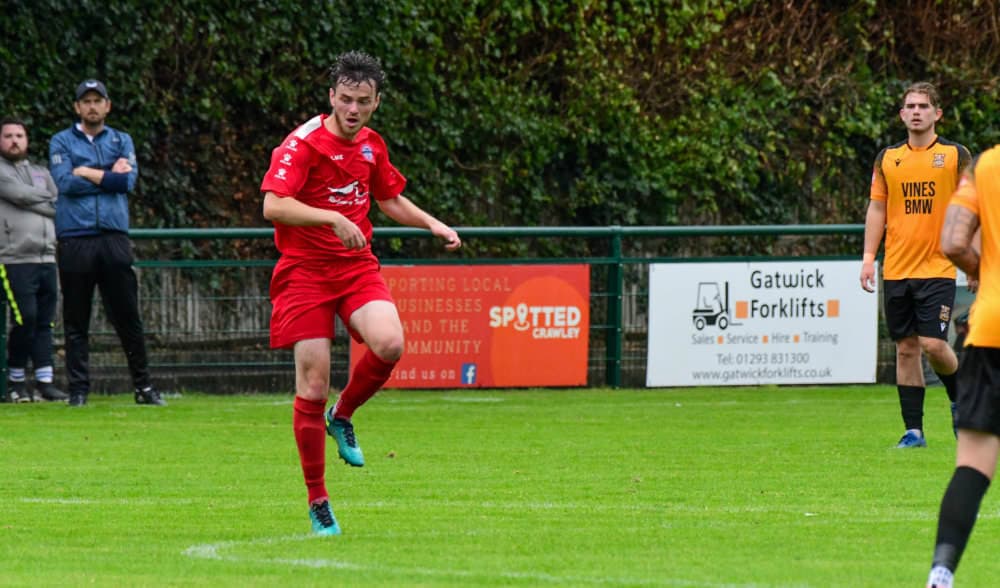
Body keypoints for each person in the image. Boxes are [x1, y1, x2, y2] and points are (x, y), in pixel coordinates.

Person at [260, 51, 461, 535]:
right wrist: (332, 218)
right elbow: (273, 205)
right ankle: (318, 501)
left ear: (376, 102)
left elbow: (389, 198)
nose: (353, 109)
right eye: (346, 99)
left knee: (390, 343)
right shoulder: (302, 145)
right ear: (332, 96)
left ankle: (343, 413)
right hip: (305, 271)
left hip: (354, 267)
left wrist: (433, 223)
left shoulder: (372, 145)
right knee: (312, 384)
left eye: (363, 101)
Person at [859, 81, 971, 448]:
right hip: (896, 269)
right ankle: (914, 431)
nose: (917, 112)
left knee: (934, 345)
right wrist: (868, 258)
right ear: (902, 114)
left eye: (924, 106)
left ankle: (961, 401)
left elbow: (973, 207)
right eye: (911, 106)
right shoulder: (887, 158)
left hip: (938, 267)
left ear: (937, 113)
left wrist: (975, 260)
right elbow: (877, 208)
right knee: (906, 348)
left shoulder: (954, 155)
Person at [48, 79, 164, 408]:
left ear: (108, 105)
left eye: (97, 100)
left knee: (128, 316)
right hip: (76, 237)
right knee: (76, 319)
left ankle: (143, 386)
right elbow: (65, 183)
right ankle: (78, 391)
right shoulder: (61, 140)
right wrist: (106, 174)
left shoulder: (121, 139)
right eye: (86, 101)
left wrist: (86, 171)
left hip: (114, 237)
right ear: (77, 107)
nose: (92, 106)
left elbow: (126, 181)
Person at [925, 145, 1000, 588]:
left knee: (972, 465)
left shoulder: (987, 165)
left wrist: (987, 275)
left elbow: (953, 241)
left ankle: (941, 574)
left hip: (991, 328)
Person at [0, 117, 69, 403]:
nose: (14, 141)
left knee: (45, 321)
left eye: (19, 135)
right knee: (25, 317)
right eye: (8, 136)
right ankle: (15, 379)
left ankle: (45, 381)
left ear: (27, 140)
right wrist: (45, 199)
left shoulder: (41, 172)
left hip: (47, 256)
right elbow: (17, 195)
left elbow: (60, 204)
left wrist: (34, 199)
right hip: (13, 257)